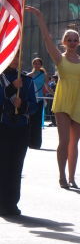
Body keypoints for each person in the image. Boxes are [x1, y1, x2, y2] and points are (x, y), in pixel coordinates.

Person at [26, 6, 80, 189]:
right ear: (64, 42)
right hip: (63, 101)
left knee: (74, 144)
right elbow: (47, 40)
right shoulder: (59, 58)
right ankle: (62, 176)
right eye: (69, 40)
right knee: (63, 141)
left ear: (78, 42)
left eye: (75, 40)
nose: (72, 42)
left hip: (79, 103)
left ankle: (72, 177)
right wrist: (40, 17)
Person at [0, 54, 38, 216]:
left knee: (16, 166)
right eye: (11, 57)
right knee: (2, 165)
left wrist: (22, 106)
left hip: (20, 127)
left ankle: (11, 202)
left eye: (17, 57)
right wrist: (10, 89)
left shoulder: (27, 81)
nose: (15, 60)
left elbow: (34, 105)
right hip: (3, 125)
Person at [27, 57, 48, 149]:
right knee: (29, 121)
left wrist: (55, 94)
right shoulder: (28, 75)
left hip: (39, 101)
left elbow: (47, 87)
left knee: (37, 122)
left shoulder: (44, 75)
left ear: (41, 65)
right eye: (35, 63)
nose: (36, 65)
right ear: (33, 65)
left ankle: (36, 143)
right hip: (30, 100)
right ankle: (28, 142)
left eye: (38, 63)